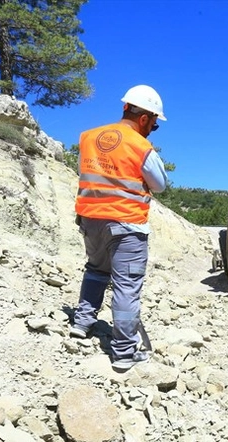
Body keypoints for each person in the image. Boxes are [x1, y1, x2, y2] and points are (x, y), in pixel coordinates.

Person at [70, 85, 168, 371]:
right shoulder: (140, 146)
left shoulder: (89, 138)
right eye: (154, 124)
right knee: (127, 286)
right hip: (126, 225)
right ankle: (124, 352)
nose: (152, 130)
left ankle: (82, 323)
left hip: (90, 219)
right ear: (144, 118)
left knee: (96, 270)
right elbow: (160, 185)